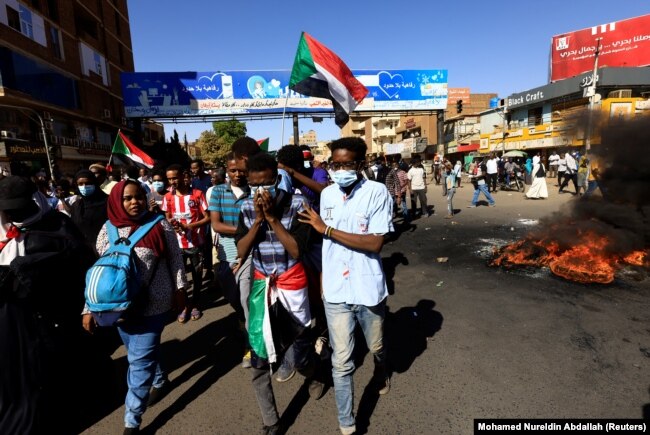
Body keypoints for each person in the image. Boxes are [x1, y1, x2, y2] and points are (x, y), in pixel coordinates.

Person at [297, 137, 393, 435]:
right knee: (342, 361)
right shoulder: (326, 196)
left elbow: (375, 242)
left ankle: (380, 367)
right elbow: (324, 244)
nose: (339, 170)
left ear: (360, 164)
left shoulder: (377, 193)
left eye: (346, 164)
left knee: (375, 344)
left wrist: (326, 228)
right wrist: (324, 282)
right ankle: (347, 423)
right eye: (334, 165)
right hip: (336, 290)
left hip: (367, 289)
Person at [82, 179, 188, 434]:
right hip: (118, 309)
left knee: (138, 363)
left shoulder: (159, 224)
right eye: (127, 198)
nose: (134, 202)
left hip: (154, 305)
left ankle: (132, 421)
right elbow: (100, 274)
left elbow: (175, 259)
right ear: (117, 201)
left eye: (138, 197)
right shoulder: (107, 229)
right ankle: (161, 379)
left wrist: (181, 291)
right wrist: (88, 308)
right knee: (140, 353)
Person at [235, 153, 323, 434]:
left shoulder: (299, 204)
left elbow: (297, 250)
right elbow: (241, 250)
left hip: (292, 283)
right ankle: (271, 421)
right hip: (263, 286)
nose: (261, 191)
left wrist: (273, 219)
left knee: (299, 354)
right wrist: (258, 222)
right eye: (255, 185)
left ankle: (315, 372)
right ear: (249, 182)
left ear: (277, 178)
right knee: (259, 359)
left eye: (267, 183)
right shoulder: (247, 207)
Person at [0, 176, 95, 434]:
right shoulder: (5, 230)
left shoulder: (58, 224)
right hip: (14, 321)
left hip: (54, 315)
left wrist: (28, 269)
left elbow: (79, 261)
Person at [208, 152, 251, 367]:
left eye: (241, 170)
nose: (237, 174)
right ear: (226, 170)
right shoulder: (217, 192)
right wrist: (245, 230)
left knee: (246, 299)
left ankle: (250, 346)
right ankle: (242, 321)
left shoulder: (255, 191)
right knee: (233, 298)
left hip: (251, 253)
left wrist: (247, 236)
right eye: (233, 170)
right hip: (226, 254)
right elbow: (217, 224)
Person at [162, 164, 209, 323]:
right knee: (179, 277)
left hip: (195, 244)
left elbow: (207, 217)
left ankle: (195, 304)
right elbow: (167, 217)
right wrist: (171, 223)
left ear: (183, 176)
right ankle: (183, 305)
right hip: (176, 246)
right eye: (169, 179)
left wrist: (190, 226)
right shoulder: (167, 197)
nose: (172, 181)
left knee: (196, 277)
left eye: (175, 178)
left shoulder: (197, 194)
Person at [69, 169, 109, 255]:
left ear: (94, 183)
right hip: (83, 253)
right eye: (80, 184)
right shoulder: (76, 206)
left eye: (88, 183)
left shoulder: (108, 202)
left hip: (105, 251)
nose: (84, 186)